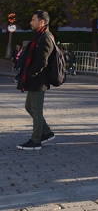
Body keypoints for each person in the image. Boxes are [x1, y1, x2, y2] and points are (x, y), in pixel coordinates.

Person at [16, 10, 55, 151]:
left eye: (33, 20)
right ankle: (46, 132)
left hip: (38, 81)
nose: (31, 22)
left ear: (42, 22)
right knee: (29, 107)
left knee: (36, 110)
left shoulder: (45, 37)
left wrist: (31, 73)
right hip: (34, 80)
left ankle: (36, 140)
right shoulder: (39, 36)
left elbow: (42, 62)